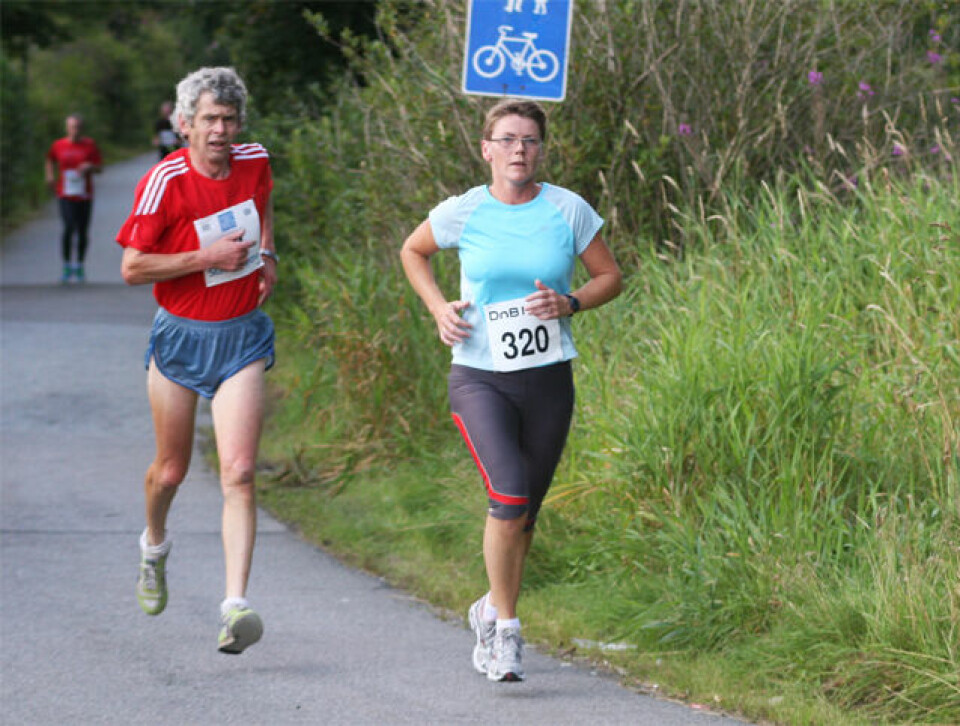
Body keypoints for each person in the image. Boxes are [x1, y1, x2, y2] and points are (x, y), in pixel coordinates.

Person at [400, 99, 622, 682]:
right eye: (506, 139)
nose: (518, 149)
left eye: (528, 139)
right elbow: (413, 251)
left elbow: (610, 277)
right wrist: (436, 308)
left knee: (525, 517)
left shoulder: (567, 209)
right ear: (486, 149)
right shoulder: (465, 211)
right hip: (478, 377)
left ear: (540, 150)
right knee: (509, 496)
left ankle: (489, 607)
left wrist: (569, 302)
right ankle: (507, 631)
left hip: (548, 378)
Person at [116, 67, 279, 655]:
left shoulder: (254, 159)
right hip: (181, 337)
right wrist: (203, 256)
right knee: (171, 471)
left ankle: (235, 607)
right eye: (209, 119)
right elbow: (133, 267)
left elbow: (263, 207)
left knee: (238, 471)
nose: (220, 130)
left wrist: (267, 254)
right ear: (184, 124)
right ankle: (154, 544)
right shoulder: (165, 181)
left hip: (241, 338)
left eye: (229, 119)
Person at [45, 114, 102, 283]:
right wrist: (49, 176)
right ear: (67, 128)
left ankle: (79, 265)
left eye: (77, 127)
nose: (74, 130)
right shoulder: (59, 145)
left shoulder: (89, 145)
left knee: (82, 230)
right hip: (65, 193)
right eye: (71, 126)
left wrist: (90, 166)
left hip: (84, 194)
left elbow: (100, 168)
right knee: (69, 227)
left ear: (81, 128)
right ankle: (67, 265)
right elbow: (50, 160)